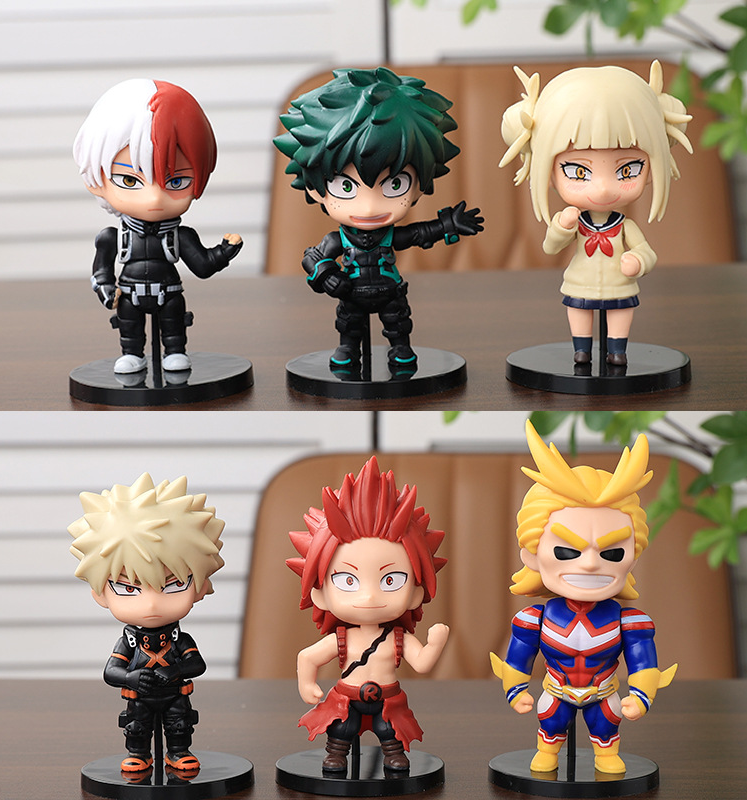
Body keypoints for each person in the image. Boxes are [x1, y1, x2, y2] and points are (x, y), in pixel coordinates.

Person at [490, 420, 676, 773]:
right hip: (556, 691)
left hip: (603, 693)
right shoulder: (534, 619)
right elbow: (519, 658)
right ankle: (548, 753)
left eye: (612, 553)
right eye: (567, 551)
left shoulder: (630, 621)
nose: (590, 564)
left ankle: (606, 755)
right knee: (550, 725)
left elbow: (643, 662)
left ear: (633, 558)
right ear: (532, 555)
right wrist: (516, 690)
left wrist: (641, 696)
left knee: (606, 729)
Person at [275, 67, 483, 372]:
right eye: (346, 187)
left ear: (419, 185)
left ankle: (401, 349)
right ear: (315, 187)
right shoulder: (337, 240)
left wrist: (447, 226)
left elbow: (418, 234)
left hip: (389, 292)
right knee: (349, 326)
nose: (371, 207)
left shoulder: (389, 236)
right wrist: (327, 275)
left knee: (398, 324)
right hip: (351, 293)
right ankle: (348, 349)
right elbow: (312, 257)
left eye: (394, 185)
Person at [499, 62, 692, 365]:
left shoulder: (624, 225)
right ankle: (581, 349)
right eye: (579, 171)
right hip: (580, 281)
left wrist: (638, 261)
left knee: (621, 312)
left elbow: (647, 252)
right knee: (578, 311)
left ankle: (617, 351)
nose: (603, 189)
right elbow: (550, 247)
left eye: (627, 169)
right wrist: (562, 227)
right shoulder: (575, 221)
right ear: (546, 170)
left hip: (619, 284)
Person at [287, 457, 449, 771]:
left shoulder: (399, 638)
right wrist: (306, 684)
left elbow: (422, 663)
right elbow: (307, 657)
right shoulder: (343, 638)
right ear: (320, 593)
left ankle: (394, 754)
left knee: (389, 730)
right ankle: (336, 753)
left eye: (391, 580)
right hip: (346, 697)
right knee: (342, 728)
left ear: (416, 592)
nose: (370, 595)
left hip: (388, 699)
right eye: (348, 581)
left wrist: (436, 643)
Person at [74, 80, 242, 373]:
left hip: (169, 293)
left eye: (175, 181)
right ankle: (132, 354)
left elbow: (202, 266)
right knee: (129, 328)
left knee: (173, 325)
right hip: (129, 294)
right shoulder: (113, 237)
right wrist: (106, 290)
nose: (154, 198)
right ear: (97, 181)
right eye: (130, 180)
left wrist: (225, 252)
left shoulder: (181, 236)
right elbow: (101, 271)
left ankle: (174, 351)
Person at [69, 473, 225, 773]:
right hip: (139, 698)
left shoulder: (179, 640)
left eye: (173, 584)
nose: (152, 604)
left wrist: (175, 671)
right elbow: (111, 671)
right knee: (137, 727)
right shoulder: (129, 642)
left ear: (201, 587)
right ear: (100, 594)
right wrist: (130, 678)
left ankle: (178, 752)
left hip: (174, 695)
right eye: (128, 588)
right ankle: (139, 755)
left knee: (179, 725)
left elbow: (196, 664)